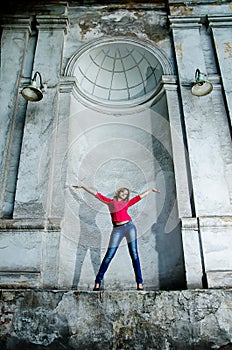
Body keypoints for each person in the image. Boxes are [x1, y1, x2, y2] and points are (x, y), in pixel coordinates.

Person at [72, 184, 160, 291]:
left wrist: (150, 190)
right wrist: (83, 187)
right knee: (109, 255)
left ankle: (140, 283)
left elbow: (139, 197)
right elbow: (96, 194)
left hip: (130, 227)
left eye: (126, 194)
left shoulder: (126, 203)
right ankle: (97, 282)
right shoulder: (110, 202)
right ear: (119, 192)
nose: (124, 194)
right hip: (117, 229)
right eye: (123, 192)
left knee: (134, 254)